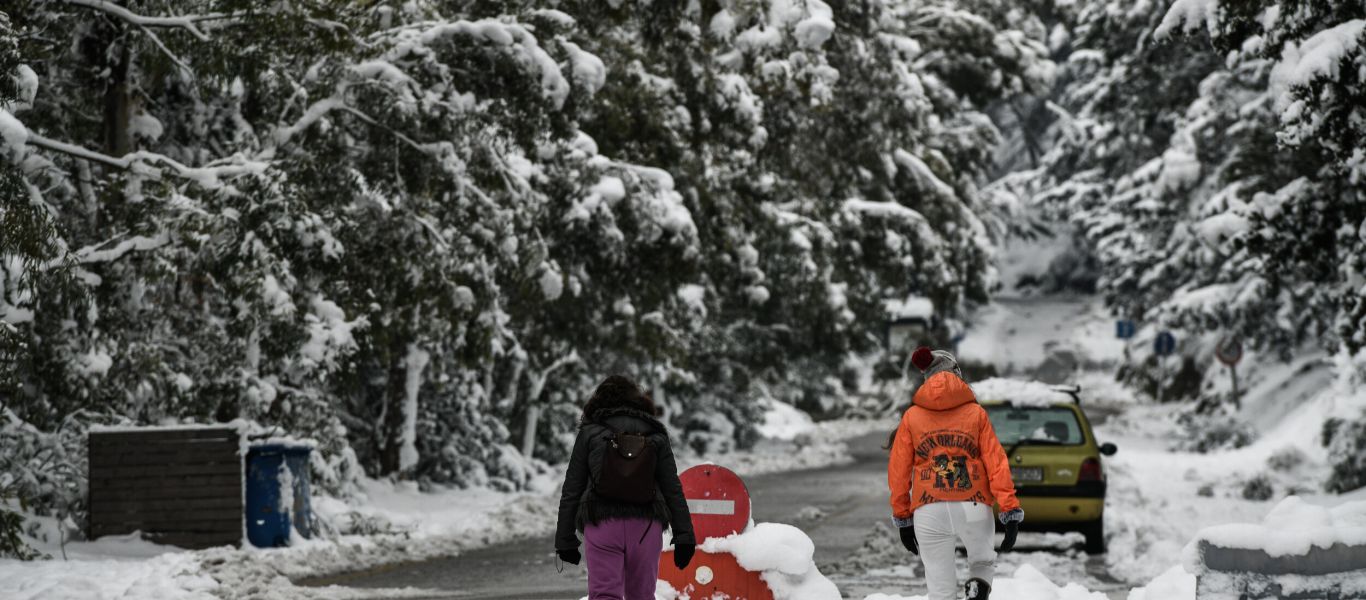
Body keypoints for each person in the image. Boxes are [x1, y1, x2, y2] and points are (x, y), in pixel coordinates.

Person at [886, 347, 1023, 600]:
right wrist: (1009, 510)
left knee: (939, 589)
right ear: (956, 374)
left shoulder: (912, 416)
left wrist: (903, 517)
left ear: (927, 377)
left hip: (929, 508)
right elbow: (996, 464)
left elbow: (898, 471)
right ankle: (978, 585)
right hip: (973, 504)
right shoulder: (976, 413)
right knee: (982, 562)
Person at [555, 375, 696, 600]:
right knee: (641, 596)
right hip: (645, 527)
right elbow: (672, 489)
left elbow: (572, 488)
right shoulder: (655, 432)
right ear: (638, 401)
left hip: (602, 524)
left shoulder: (590, 433)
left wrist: (565, 539)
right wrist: (684, 536)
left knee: (604, 595)